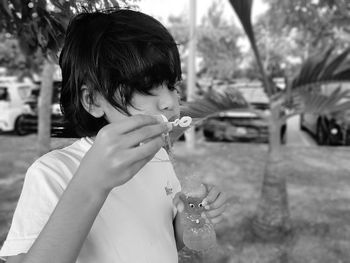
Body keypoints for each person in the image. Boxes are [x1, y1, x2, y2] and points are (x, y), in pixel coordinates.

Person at [0, 9, 228, 263]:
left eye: (172, 86)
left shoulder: (159, 160)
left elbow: (163, 241)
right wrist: (91, 185)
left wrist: (192, 216)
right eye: (146, 87)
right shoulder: (52, 173)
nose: (169, 102)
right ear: (92, 100)